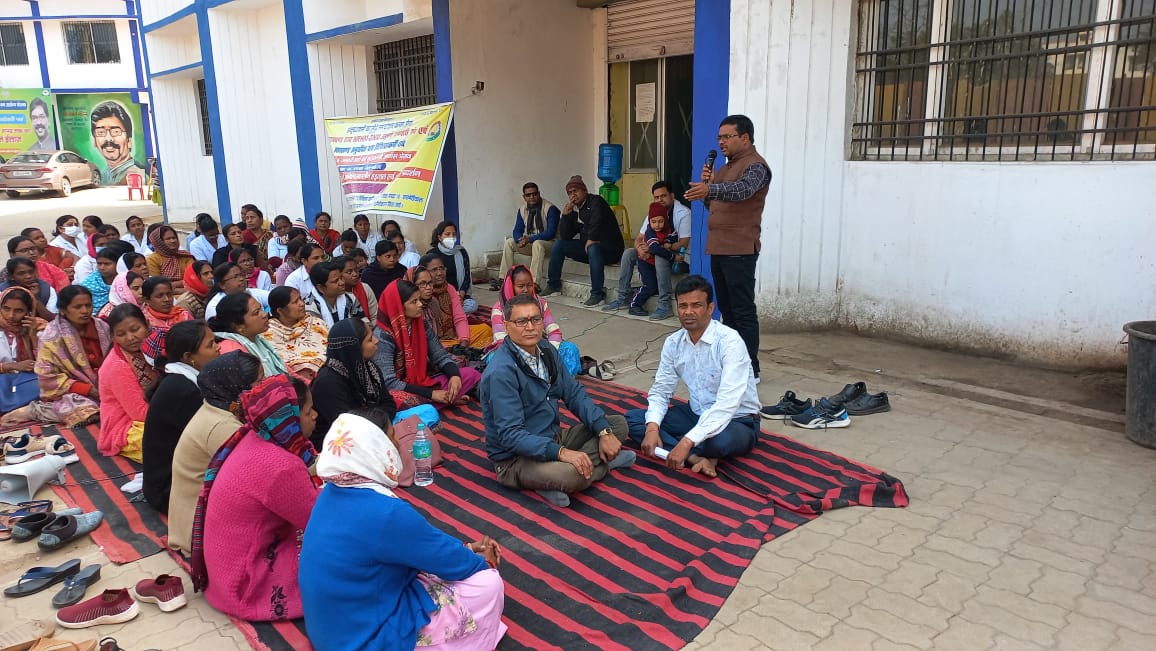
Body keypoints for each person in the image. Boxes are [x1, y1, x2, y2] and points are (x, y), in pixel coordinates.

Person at [300, 409, 507, 651]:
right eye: (391, 437)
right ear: (374, 447)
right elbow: (450, 561)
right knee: (488, 584)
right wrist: (483, 561)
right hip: (365, 640)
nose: (398, 443)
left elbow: (420, 546)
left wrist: (467, 549)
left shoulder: (329, 492)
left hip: (333, 634)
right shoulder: (385, 512)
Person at [480, 294, 633, 508]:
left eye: (535, 319)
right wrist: (562, 453)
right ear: (506, 326)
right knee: (571, 475)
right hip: (515, 459)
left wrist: (604, 433)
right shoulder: (501, 372)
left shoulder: (546, 350)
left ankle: (569, 472)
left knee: (617, 424)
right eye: (521, 321)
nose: (530, 327)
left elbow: (574, 393)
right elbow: (511, 435)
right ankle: (601, 463)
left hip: (553, 437)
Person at [191, 375, 319, 621]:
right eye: (307, 411)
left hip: (224, 571)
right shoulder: (281, 466)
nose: (314, 416)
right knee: (350, 559)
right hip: (245, 583)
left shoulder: (255, 435)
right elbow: (317, 520)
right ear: (288, 419)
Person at [625, 275, 761, 478]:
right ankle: (695, 458)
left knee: (720, 441)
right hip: (695, 413)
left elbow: (728, 403)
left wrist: (687, 441)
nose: (688, 312)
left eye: (696, 305)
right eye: (683, 306)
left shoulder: (730, 342)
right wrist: (652, 429)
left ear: (710, 308)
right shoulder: (673, 343)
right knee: (634, 420)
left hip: (737, 419)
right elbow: (661, 390)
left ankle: (685, 448)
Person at [684, 114, 771, 379]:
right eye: (719, 137)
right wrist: (708, 187)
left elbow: (742, 191)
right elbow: (714, 204)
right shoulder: (723, 169)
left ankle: (751, 368)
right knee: (727, 310)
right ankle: (734, 362)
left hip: (740, 248)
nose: (721, 142)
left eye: (727, 137)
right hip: (719, 247)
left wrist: (711, 189)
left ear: (744, 138)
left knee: (742, 310)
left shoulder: (756, 166)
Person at [167, 351, 262, 554]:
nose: (264, 388)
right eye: (258, 383)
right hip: (199, 529)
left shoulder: (220, 407)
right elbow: (259, 475)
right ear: (237, 386)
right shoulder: (223, 427)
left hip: (208, 509)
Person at [141, 321, 220, 514]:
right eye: (210, 345)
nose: (218, 347)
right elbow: (212, 439)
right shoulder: (183, 391)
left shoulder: (187, 380)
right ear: (188, 357)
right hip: (170, 490)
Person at [374, 279, 480, 411]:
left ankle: (442, 399)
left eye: (419, 299)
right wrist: (431, 394)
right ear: (398, 306)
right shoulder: (383, 335)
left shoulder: (421, 324)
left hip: (420, 382)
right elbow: (389, 382)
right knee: (396, 401)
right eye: (414, 302)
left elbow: (440, 355)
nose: (420, 304)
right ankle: (445, 400)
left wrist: (455, 376)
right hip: (397, 389)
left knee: (470, 374)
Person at [603, 181, 692, 320]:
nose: (660, 200)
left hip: (678, 256)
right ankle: (623, 297)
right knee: (628, 254)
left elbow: (684, 243)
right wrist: (641, 249)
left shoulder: (684, 213)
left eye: (663, 196)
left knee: (660, 256)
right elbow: (639, 238)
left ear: (672, 196)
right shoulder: (654, 212)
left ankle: (665, 305)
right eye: (656, 197)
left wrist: (661, 248)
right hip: (653, 250)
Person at [543, 175, 625, 306]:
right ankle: (553, 285)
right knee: (559, 245)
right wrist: (565, 216)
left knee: (593, 248)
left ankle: (597, 295)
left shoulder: (596, 201)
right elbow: (565, 236)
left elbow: (597, 220)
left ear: (584, 190)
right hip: (590, 249)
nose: (573, 195)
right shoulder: (575, 210)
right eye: (570, 193)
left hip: (611, 249)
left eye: (575, 191)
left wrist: (592, 238)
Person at [34, 286, 109, 427]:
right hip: (74, 391)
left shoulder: (103, 327)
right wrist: (88, 390)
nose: (85, 311)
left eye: (88, 305)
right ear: (63, 310)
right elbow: (47, 377)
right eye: (78, 307)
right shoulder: (50, 337)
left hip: (106, 384)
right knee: (80, 407)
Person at [309, 318, 389, 448]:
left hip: (370, 430)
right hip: (338, 444)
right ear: (354, 348)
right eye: (370, 339)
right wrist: (381, 420)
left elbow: (388, 402)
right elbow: (349, 426)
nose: (376, 341)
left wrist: (381, 419)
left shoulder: (369, 368)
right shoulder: (327, 384)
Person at [490, 264, 581, 376]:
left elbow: (554, 332)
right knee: (496, 362)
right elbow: (501, 340)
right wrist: (526, 356)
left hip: (540, 348)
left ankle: (557, 382)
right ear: (511, 286)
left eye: (529, 285)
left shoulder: (540, 304)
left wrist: (548, 353)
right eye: (520, 286)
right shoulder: (500, 309)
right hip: (513, 351)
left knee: (570, 350)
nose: (526, 290)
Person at [96, 304, 157, 461]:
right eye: (121, 334)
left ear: (147, 325)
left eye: (135, 329)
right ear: (113, 337)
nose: (130, 338)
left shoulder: (154, 347)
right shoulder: (116, 366)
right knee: (168, 440)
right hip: (126, 426)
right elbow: (140, 414)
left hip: (156, 411)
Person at [209, 293, 289, 377]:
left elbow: (285, 369)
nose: (264, 314)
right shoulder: (232, 352)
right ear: (239, 326)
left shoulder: (257, 338)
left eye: (261, 309)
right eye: (256, 313)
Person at [421, 254, 492, 350]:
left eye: (441, 268)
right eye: (434, 270)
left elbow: (459, 317)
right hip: (434, 341)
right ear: (424, 273)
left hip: (453, 335)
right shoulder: (422, 292)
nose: (440, 273)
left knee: (486, 330)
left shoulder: (449, 288)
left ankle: (457, 350)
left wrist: (464, 341)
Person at [261, 286, 328, 382]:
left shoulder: (315, 323)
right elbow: (277, 365)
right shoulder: (268, 333)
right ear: (280, 310)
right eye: (295, 302)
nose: (302, 304)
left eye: (300, 298)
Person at [500, 181, 560, 288]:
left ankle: (534, 283)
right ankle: (504, 280)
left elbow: (550, 233)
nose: (532, 197)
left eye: (534, 194)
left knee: (538, 243)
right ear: (524, 197)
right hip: (531, 243)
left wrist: (529, 239)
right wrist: (520, 240)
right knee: (509, 242)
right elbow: (517, 230)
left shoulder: (550, 208)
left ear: (539, 194)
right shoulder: (522, 209)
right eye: (528, 195)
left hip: (551, 245)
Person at [625, 203, 680, 318]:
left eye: (660, 221)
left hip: (657, 265)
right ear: (649, 221)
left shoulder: (669, 229)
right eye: (653, 222)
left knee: (655, 288)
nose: (657, 225)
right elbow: (654, 248)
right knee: (650, 286)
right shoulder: (650, 232)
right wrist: (673, 257)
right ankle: (635, 304)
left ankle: (634, 292)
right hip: (646, 263)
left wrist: (668, 242)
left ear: (665, 220)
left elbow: (673, 237)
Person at [90, 101, 144, 185]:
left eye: (116, 131)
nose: (108, 138)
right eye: (101, 132)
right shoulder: (102, 177)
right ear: (94, 141)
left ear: (129, 140)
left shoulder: (138, 175)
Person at [302, 261, 365, 328]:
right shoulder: (309, 308)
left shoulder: (350, 298)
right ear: (320, 288)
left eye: (341, 278)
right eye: (335, 281)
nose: (342, 283)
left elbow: (364, 322)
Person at [0, 286, 43, 380]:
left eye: (18, 311)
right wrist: (11, 366)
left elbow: (46, 365)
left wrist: (33, 336)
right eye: (6, 309)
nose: (11, 315)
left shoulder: (41, 328)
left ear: (29, 312)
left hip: (27, 382)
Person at [203, 262, 270, 320]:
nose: (241, 279)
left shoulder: (251, 292)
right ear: (222, 285)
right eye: (235, 276)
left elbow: (273, 297)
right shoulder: (215, 307)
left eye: (242, 275)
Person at [425, 221, 472, 298]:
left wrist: (461, 295)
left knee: (471, 304)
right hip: (439, 295)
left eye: (454, 234)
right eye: (447, 234)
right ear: (440, 237)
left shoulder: (461, 251)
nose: (451, 237)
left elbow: (467, 277)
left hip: (460, 294)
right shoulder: (431, 254)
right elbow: (428, 279)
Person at [147, 225, 195, 291]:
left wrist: (174, 285)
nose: (172, 241)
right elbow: (157, 285)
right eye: (168, 239)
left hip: (190, 291)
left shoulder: (185, 256)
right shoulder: (153, 259)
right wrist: (181, 285)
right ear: (159, 242)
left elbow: (193, 278)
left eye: (174, 238)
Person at [79, 247, 121, 313]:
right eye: (99, 264)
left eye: (107, 264)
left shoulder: (125, 281)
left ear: (117, 264)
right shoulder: (89, 284)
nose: (102, 267)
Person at [336, 255, 376, 323]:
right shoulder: (334, 294)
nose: (355, 274)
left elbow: (375, 316)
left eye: (356, 270)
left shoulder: (365, 288)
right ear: (338, 275)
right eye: (349, 272)